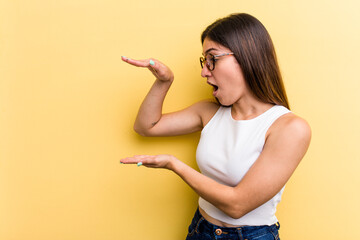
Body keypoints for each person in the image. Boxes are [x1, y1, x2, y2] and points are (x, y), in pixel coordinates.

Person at [120, 13, 311, 240]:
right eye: (204, 61)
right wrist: (163, 82)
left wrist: (174, 164)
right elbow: (146, 126)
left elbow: (237, 205)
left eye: (213, 59)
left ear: (247, 57)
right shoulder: (209, 112)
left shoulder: (290, 128)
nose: (204, 71)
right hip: (201, 230)